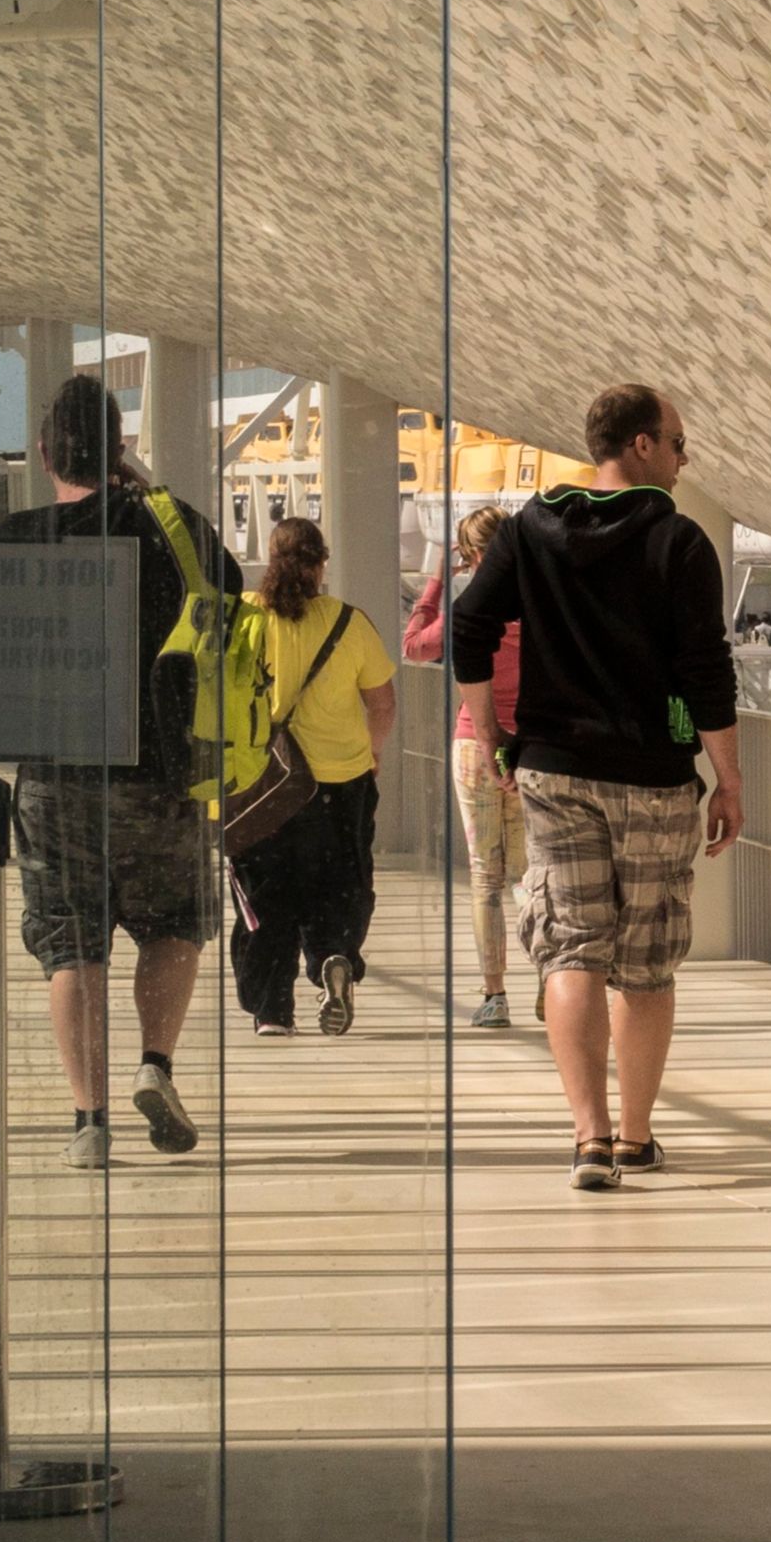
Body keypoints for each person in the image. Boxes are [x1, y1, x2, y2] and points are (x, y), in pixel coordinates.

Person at [450, 383, 742, 1193]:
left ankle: (588, 1137)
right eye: (678, 444)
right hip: (651, 777)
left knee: (570, 947)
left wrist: (491, 727)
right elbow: (705, 670)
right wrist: (729, 780)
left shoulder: (531, 528)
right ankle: (637, 1138)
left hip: (552, 769)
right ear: (642, 446)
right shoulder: (678, 542)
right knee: (644, 959)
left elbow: (469, 626)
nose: (684, 460)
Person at [0, 376, 240, 1165]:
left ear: (41, 453)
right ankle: (154, 1063)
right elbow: (230, 584)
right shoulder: (165, 530)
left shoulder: (18, 540)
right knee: (174, 926)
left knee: (73, 946)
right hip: (159, 773)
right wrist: (146, 487)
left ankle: (88, 1122)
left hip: (55, 772)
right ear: (120, 446)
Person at [232, 517, 401, 1038]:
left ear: (269, 557)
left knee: (266, 891)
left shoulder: (243, 618)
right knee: (338, 882)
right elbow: (382, 703)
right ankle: (333, 955)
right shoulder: (350, 622)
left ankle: (272, 1010)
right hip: (341, 780)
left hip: (262, 780)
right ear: (320, 564)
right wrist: (371, 752)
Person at [406, 506, 526, 1028]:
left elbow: (413, 646)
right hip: (532, 749)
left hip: (474, 743)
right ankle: (554, 979)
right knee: (535, 874)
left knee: (486, 877)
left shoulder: (468, 607)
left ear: (470, 555)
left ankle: (495, 994)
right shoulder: (538, 604)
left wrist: (436, 579)